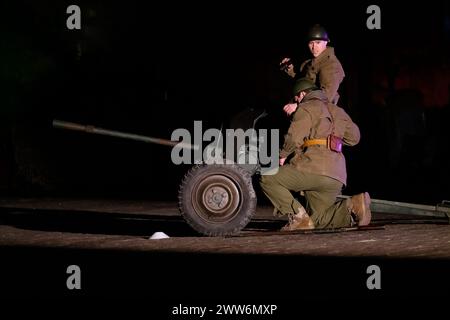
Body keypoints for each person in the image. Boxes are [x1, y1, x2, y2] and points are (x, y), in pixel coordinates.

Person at [260, 78, 371, 231]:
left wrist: (282, 154)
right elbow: (354, 138)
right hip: (336, 176)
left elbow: (294, 137)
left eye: (296, 98)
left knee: (267, 178)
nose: (296, 101)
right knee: (316, 221)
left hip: (312, 168)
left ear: (303, 94)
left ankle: (298, 218)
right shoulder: (338, 111)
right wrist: (330, 140)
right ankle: (353, 205)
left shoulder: (306, 107)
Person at [280, 24, 345, 105]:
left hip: (321, 112)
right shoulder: (312, 61)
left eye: (318, 43)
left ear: (326, 42)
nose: (314, 47)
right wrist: (290, 70)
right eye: (311, 43)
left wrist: (297, 106)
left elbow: (325, 98)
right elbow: (306, 82)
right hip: (309, 107)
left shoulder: (331, 65)